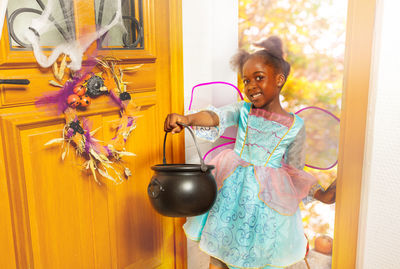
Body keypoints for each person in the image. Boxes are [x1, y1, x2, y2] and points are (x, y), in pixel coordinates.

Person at [164, 36, 337, 269]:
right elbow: (216, 117)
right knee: (220, 250)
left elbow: (295, 170)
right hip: (230, 194)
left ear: (279, 80)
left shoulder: (295, 126)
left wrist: (320, 194)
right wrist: (187, 119)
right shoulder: (243, 110)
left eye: (259, 78)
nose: (251, 86)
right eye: (246, 81)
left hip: (267, 205)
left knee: (259, 257)